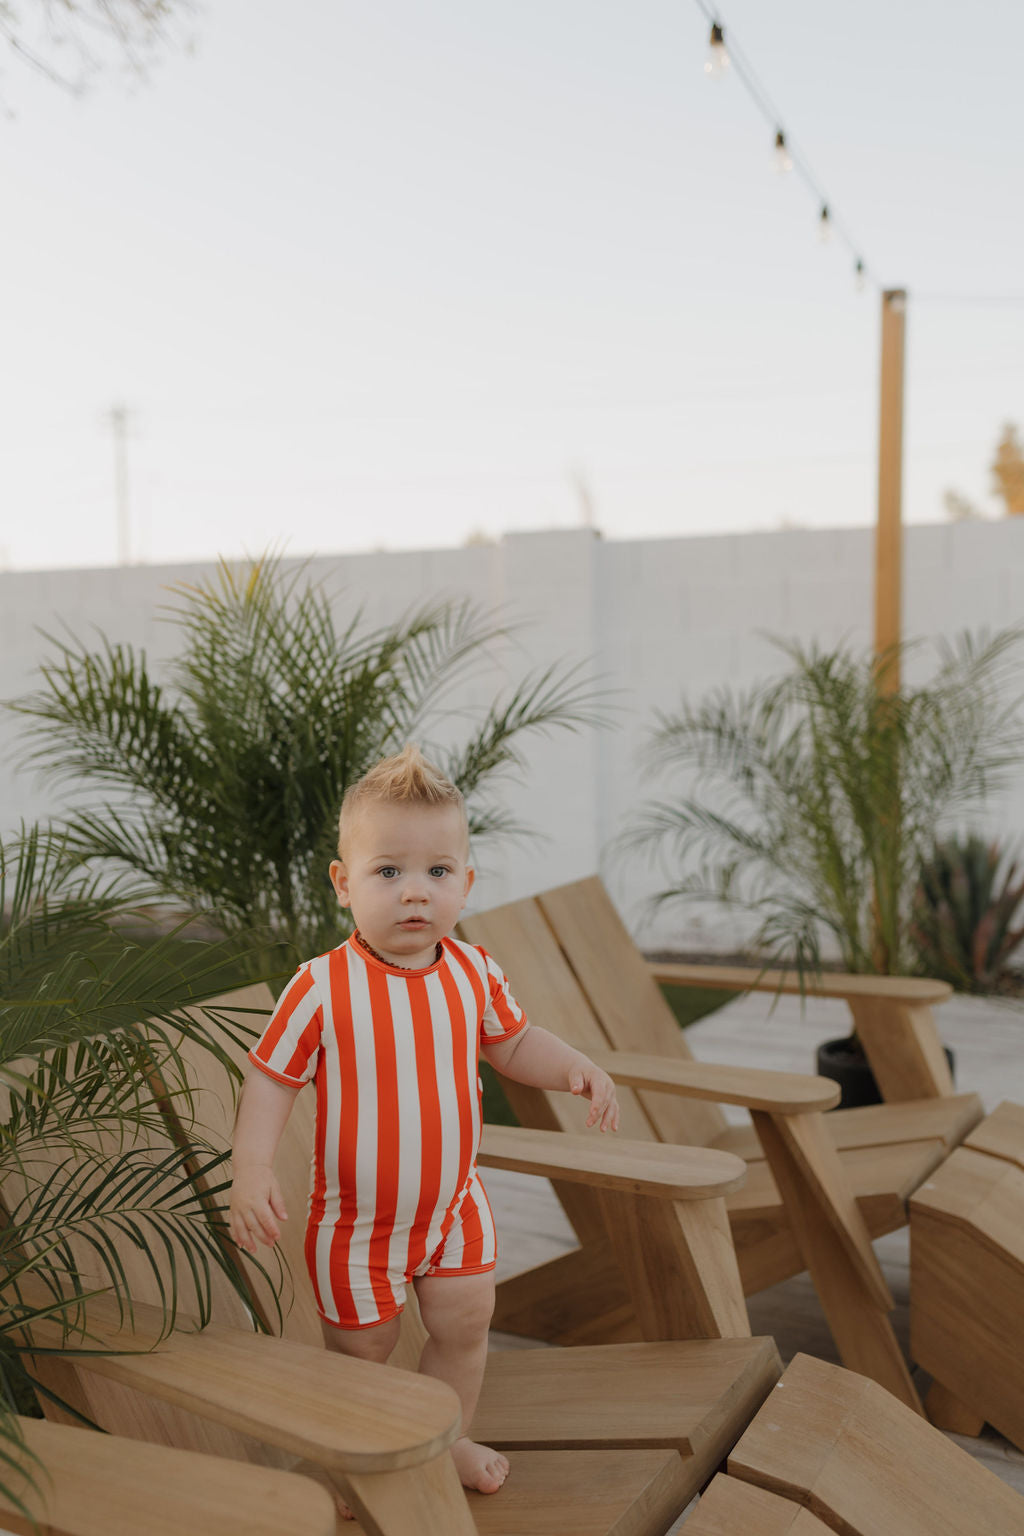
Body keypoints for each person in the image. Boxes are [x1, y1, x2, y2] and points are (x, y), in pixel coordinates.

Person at [229, 744, 619, 1503]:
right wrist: (250, 1168)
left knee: (467, 1324)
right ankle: (357, 1454)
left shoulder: (474, 973)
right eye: (389, 872)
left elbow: (512, 1043)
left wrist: (575, 1066)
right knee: (362, 1350)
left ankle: (449, 1438)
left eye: (438, 872)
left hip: (453, 1207)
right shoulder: (320, 988)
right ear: (344, 884)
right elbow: (271, 1081)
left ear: (465, 884)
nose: (415, 893)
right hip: (356, 1223)